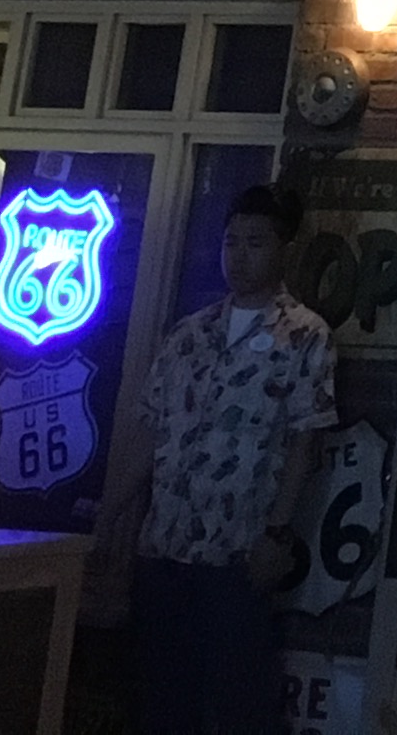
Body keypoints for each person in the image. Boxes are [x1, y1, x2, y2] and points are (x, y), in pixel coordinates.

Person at [108, 177, 334, 735]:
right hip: (164, 547)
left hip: (237, 553)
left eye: (256, 242)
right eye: (232, 241)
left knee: (236, 705)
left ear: (284, 248)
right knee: (160, 703)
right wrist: (109, 518)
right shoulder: (190, 333)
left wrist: (277, 536)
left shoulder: (304, 335)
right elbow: (151, 433)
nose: (239, 255)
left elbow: (304, 443)